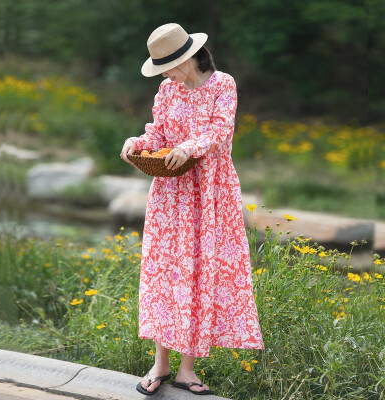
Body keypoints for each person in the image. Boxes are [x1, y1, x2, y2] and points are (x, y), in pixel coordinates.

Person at [121, 23, 265, 396]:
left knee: (200, 274)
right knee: (165, 274)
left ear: (187, 58)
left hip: (210, 194)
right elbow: (158, 134)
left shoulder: (223, 85)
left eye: (167, 66)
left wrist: (190, 147)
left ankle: (187, 369)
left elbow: (220, 132)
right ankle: (160, 364)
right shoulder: (167, 89)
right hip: (171, 196)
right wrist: (138, 141)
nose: (165, 74)